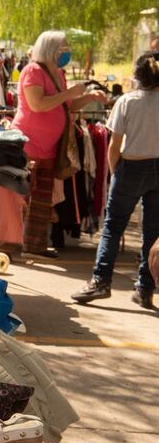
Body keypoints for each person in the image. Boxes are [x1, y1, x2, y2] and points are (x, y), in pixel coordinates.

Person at [72, 52, 159, 308]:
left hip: (130, 167)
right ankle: (145, 288)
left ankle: (100, 281)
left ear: (138, 75)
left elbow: (114, 145)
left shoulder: (127, 101)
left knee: (113, 227)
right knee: (153, 231)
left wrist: (115, 171)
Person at [10, 30, 106, 258]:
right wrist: (69, 93)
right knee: (20, 199)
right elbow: (37, 105)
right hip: (28, 146)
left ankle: (35, 245)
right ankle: (8, 246)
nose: (67, 51)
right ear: (50, 48)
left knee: (42, 201)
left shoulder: (58, 74)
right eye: (63, 48)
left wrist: (90, 97)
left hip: (50, 148)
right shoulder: (32, 71)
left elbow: (68, 106)